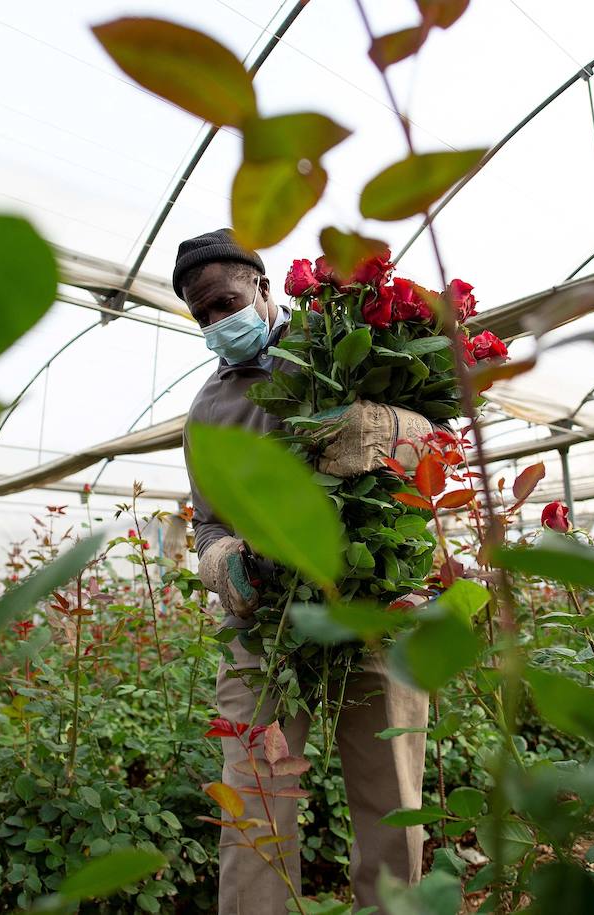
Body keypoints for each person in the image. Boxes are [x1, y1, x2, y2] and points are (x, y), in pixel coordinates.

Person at [175, 228, 434, 913]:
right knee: (255, 801)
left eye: (225, 303)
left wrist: (373, 427)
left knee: (390, 793)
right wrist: (223, 561)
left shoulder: (348, 343)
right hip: (268, 622)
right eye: (202, 315)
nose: (216, 323)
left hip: (371, 603)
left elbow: (434, 437)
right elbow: (208, 522)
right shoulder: (208, 411)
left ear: (263, 286)